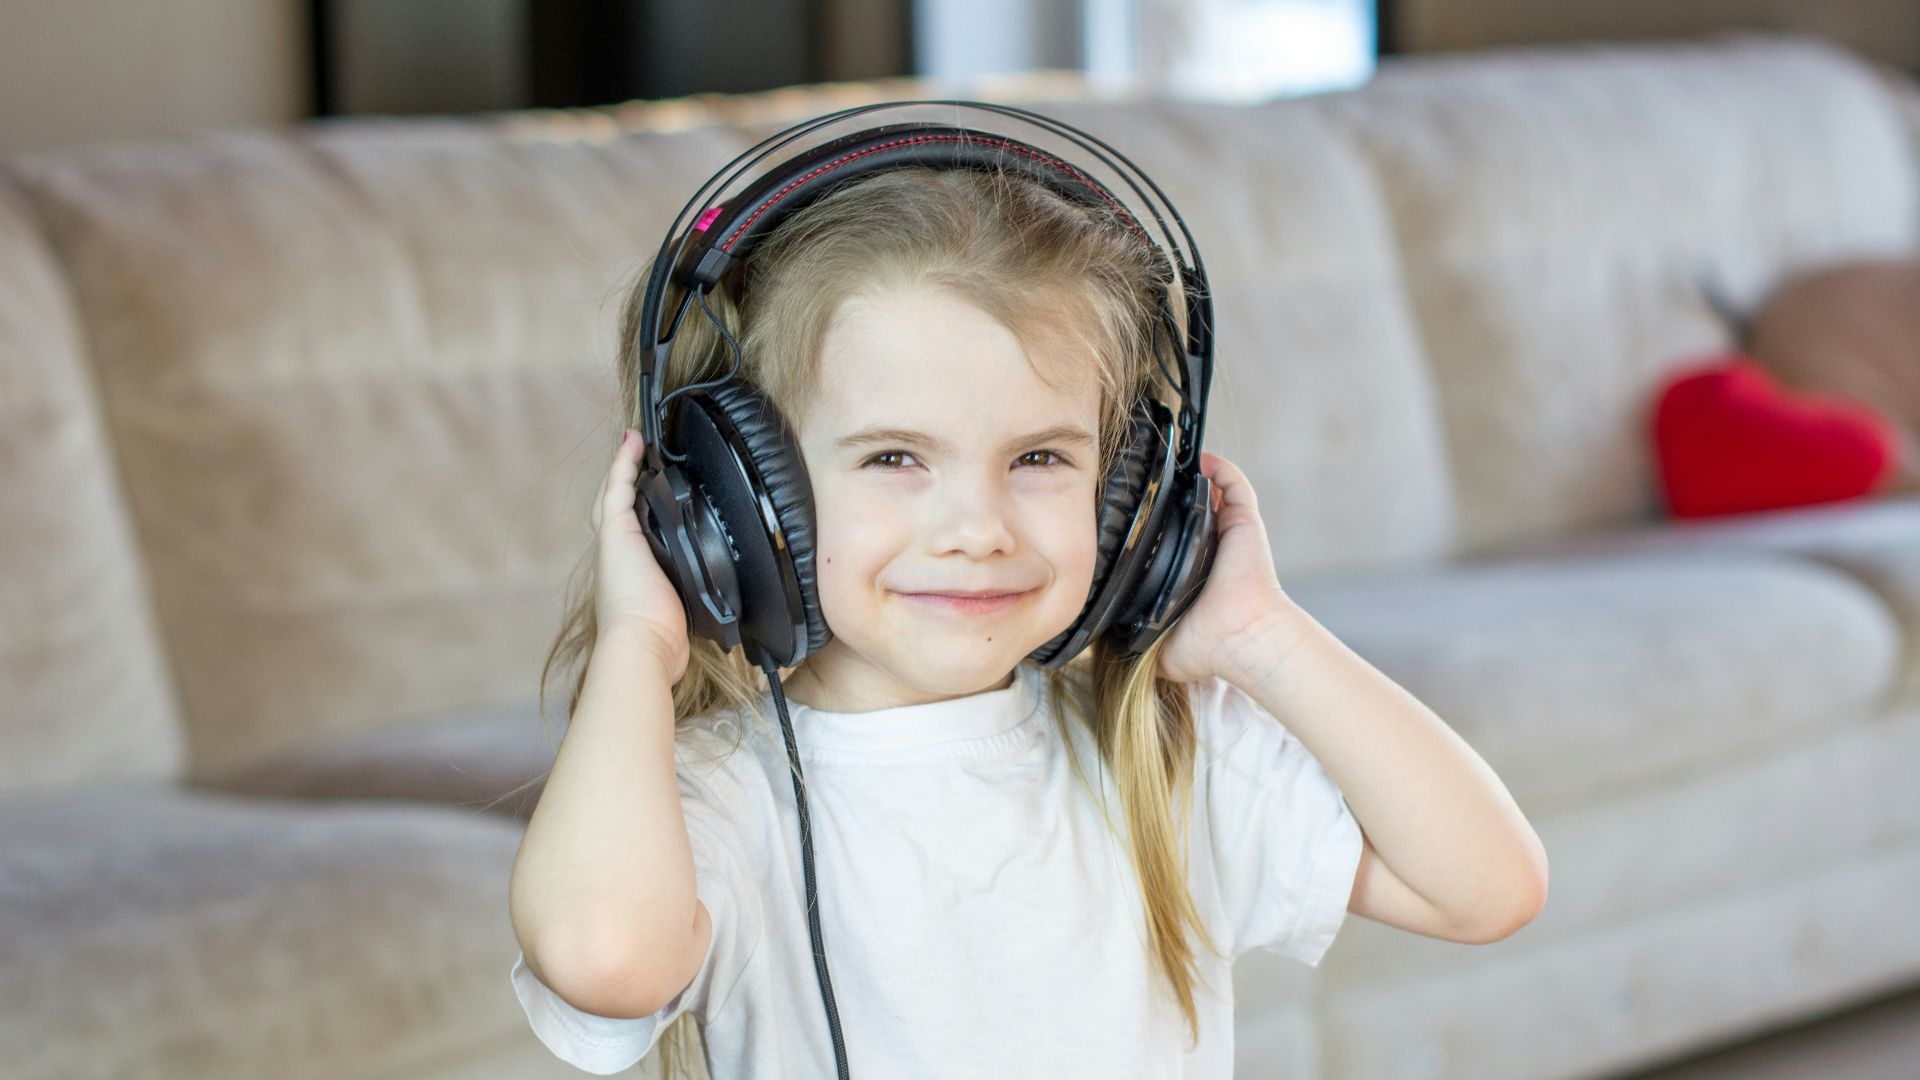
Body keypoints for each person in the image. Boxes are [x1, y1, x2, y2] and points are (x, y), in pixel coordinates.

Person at [503, 148, 1548, 1078]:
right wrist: (640, 644)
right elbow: (605, 957)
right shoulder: (721, 802)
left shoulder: (1159, 760)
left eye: (1040, 457)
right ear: (732, 500)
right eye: (895, 458)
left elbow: (1486, 888)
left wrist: (1262, 638)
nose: (979, 526)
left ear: (1137, 496)